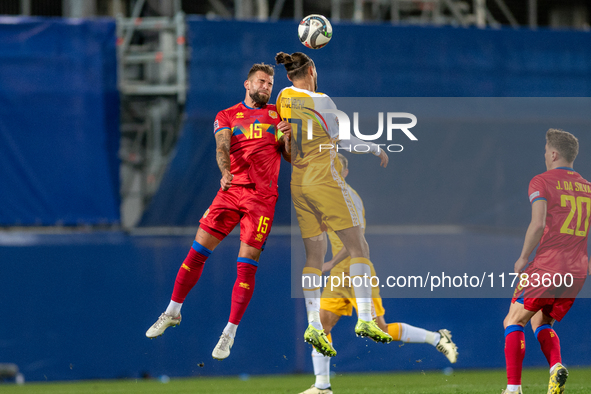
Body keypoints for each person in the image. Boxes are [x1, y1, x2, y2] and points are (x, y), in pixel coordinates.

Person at [145, 63, 292, 361]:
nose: (266, 87)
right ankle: (172, 312)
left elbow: (290, 157)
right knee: (197, 251)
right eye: (261, 82)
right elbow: (222, 148)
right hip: (231, 191)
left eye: (270, 83)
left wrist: (287, 137)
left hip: (261, 198)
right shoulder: (227, 115)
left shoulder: (280, 114)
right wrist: (225, 172)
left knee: (246, 263)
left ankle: (229, 332)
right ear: (247, 84)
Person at [299, 154, 458, 394]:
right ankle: (322, 387)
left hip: (357, 272)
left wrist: (330, 261)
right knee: (320, 329)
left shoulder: (348, 197)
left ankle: (437, 338)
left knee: (379, 330)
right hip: (339, 277)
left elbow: (358, 239)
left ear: (344, 172)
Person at [275, 51, 392, 358]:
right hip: (323, 178)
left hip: (298, 185)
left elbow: (285, 142)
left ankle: (314, 323)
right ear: (312, 69)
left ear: (288, 75)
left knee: (314, 256)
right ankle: (365, 318)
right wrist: (374, 147)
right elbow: (343, 141)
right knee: (359, 248)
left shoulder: (283, 98)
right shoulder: (323, 101)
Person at [502, 129, 590, 394]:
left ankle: (513, 388)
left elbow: (538, 223)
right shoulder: (587, 187)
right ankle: (555, 368)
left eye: (545, 151)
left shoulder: (541, 181)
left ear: (553, 153)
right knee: (541, 322)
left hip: (548, 265)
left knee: (513, 321)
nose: (544, 156)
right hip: (577, 271)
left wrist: (523, 257)